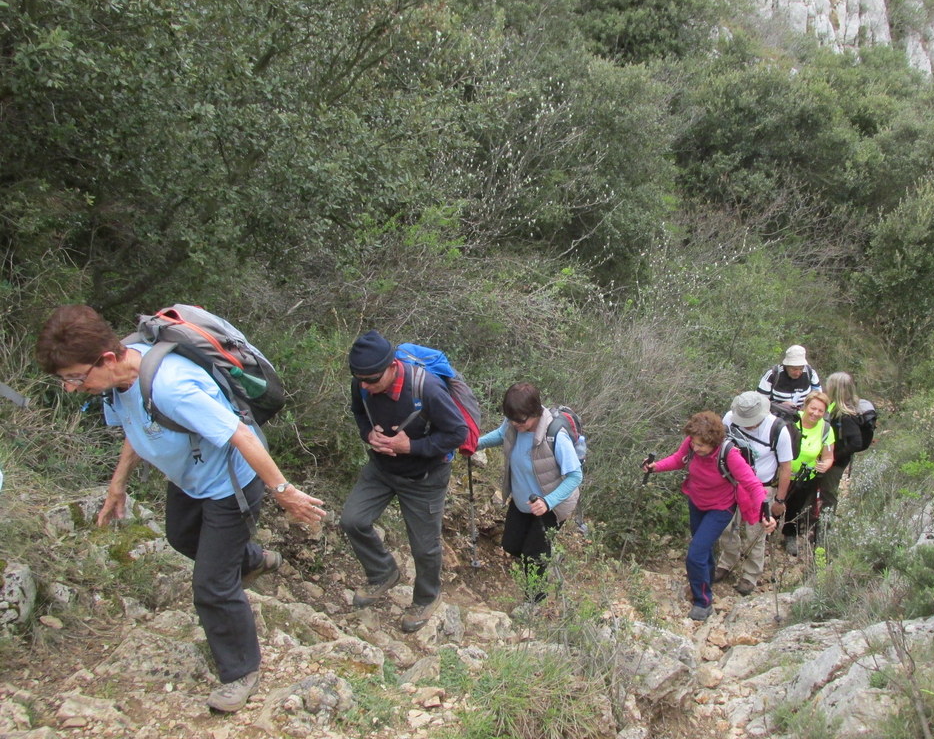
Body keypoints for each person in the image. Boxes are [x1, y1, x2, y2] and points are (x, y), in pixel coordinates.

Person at [35, 305, 326, 713]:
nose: (71, 388)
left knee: (211, 585)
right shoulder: (116, 382)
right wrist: (117, 486)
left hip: (230, 484)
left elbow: (240, 434)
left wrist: (284, 491)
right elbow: (135, 428)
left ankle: (241, 671)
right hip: (189, 479)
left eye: (74, 378)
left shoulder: (173, 385)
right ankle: (254, 559)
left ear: (106, 358)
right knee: (181, 537)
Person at [341, 331, 467, 633]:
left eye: (372, 380)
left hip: (425, 477)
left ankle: (427, 597)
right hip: (381, 469)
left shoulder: (428, 389)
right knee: (352, 520)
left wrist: (409, 447)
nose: (366, 386)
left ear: (392, 366)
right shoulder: (362, 382)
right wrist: (368, 435)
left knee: (424, 548)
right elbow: (359, 413)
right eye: (361, 380)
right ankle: (383, 572)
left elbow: (456, 433)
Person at [642, 411, 776, 621]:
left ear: (713, 442)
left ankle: (703, 602)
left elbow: (752, 483)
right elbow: (679, 459)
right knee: (702, 548)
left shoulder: (729, 454)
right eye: (694, 443)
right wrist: (655, 466)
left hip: (721, 508)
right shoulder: (692, 442)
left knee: (695, 554)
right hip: (696, 501)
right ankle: (708, 578)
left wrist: (765, 513)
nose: (696, 447)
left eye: (701, 445)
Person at [476, 382, 582, 603]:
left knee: (533, 557)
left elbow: (575, 476)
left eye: (521, 421)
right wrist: (474, 444)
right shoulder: (514, 423)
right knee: (511, 545)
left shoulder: (555, 435)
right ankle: (545, 556)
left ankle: (534, 600)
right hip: (522, 499)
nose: (515, 424)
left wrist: (548, 501)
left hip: (551, 505)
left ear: (535, 413)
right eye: (511, 419)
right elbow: (500, 434)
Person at [718, 392, 793, 595]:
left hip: (761, 487)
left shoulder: (778, 430)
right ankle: (728, 561)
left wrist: (779, 499)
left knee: (755, 533)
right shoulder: (729, 419)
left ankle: (750, 575)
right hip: (731, 483)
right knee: (725, 526)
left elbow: (787, 467)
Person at [780, 390, 835, 556]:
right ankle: (766, 535)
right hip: (780, 473)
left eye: (820, 411)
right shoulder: (791, 420)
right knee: (773, 505)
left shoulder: (825, 429)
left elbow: (828, 456)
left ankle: (789, 535)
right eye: (813, 408)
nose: (816, 413)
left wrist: (825, 465)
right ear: (805, 406)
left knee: (795, 508)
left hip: (804, 477)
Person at [816, 372, 866, 516]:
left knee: (828, 496)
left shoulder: (845, 415)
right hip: (834, 460)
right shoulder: (843, 408)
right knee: (825, 494)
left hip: (835, 463)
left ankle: (823, 532)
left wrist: (834, 457)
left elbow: (856, 442)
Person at [757, 345, 822, 414]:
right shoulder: (773, 374)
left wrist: (807, 406)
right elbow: (760, 401)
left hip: (804, 416)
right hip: (777, 416)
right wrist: (780, 406)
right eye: (794, 369)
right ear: (786, 366)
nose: (798, 373)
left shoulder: (810, 373)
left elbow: (818, 397)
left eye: (801, 369)